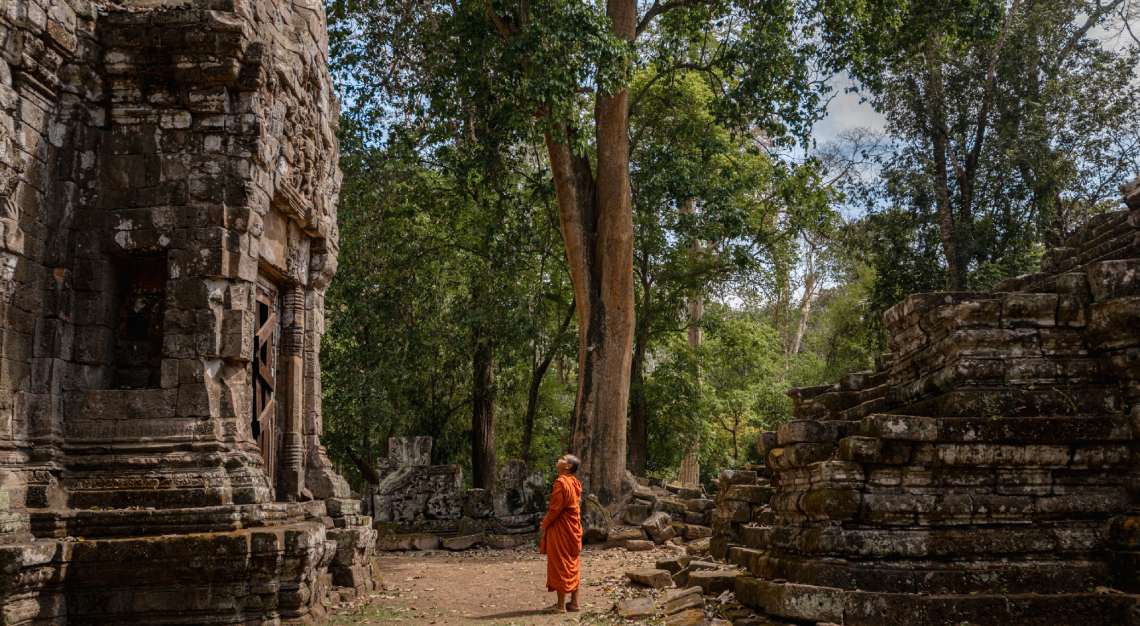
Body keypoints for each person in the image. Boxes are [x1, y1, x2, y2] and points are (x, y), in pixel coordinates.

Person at [539, 453, 583, 613]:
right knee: (572, 563)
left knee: (561, 563)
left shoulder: (561, 482)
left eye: (563, 458)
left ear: (568, 466)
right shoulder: (575, 483)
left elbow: (555, 509)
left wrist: (544, 524)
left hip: (562, 529)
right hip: (573, 529)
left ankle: (560, 606)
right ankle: (574, 603)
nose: (559, 459)